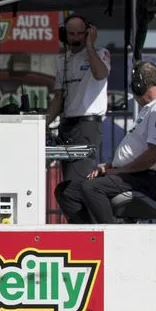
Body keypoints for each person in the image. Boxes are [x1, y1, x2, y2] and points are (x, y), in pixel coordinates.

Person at [56, 61, 156, 224]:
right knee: (66, 191)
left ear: (138, 86)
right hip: (133, 174)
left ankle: (110, 234)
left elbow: (155, 153)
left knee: (92, 188)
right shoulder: (151, 108)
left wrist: (119, 170)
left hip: (146, 179)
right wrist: (111, 167)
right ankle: (92, 232)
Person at [45, 14, 111, 184]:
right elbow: (58, 97)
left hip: (87, 124)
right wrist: (42, 124)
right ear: (64, 35)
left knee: (77, 181)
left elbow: (100, 74)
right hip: (67, 124)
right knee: (67, 181)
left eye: (80, 34)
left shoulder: (100, 53)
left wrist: (90, 46)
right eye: (71, 34)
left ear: (88, 33)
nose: (75, 38)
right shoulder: (62, 60)